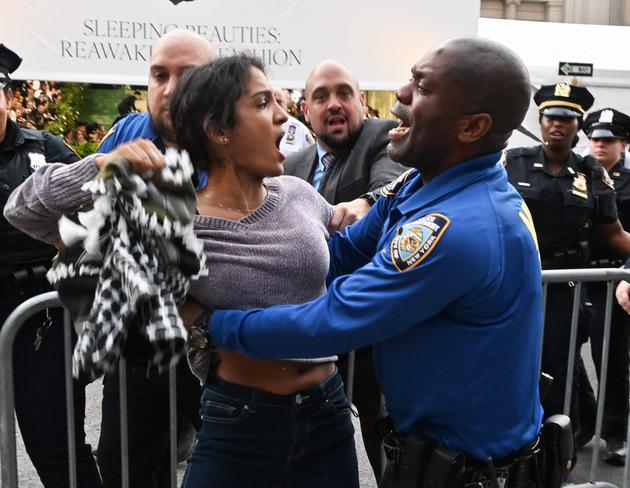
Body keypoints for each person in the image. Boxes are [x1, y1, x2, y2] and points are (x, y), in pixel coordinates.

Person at [201, 38, 545, 487]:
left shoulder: (461, 227)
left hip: (469, 472)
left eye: (421, 88)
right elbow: (339, 256)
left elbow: (335, 318)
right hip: (432, 457)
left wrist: (214, 325)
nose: (400, 94)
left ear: (472, 127)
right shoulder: (422, 187)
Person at [7, 54, 361, 488]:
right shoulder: (171, 222)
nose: (284, 116)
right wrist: (100, 164)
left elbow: (345, 228)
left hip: (328, 412)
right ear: (219, 131)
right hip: (240, 421)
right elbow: (24, 210)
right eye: (264, 103)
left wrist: (371, 205)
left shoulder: (297, 192)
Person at [6, 29, 213, 488]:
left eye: (188, 75)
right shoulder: (129, 132)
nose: (171, 89)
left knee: (227, 466)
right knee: (125, 468)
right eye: (159, 75)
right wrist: (81, 239)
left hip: (216, 346)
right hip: (138, 348)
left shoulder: (238, 138)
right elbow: (28, 210)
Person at [282, 59, 407, 479]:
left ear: (362, 102)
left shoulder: (380, 136)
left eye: (344, 93)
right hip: (309, 334)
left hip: (369, 334)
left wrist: (366, 204)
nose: (334, 104)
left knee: (385, 442)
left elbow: (388, 182)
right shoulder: (292, 165)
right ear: (305, 109)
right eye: (321, 96)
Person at [504, 84, 630, 442]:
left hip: (565, 290)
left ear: (578, 126)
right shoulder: (512, 161)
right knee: (509, 364)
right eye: (551, 118)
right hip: (513, 283)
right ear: (541, 122)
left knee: (558, 371)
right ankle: (509, 446)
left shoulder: (592, 173)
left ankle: (554, 454)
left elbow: (612, 232)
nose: (557, 125)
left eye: (567, 119)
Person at [0, 44, 102, 487]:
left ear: (8, 97)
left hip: (40, 319)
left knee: (59, 450)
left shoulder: (46, 150)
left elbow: (95, 222)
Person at [580, 108, 630, 465]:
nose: (599, 145)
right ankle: (579, 419)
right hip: (574, 278)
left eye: (607, 140)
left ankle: (615, 434)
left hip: (616, 282)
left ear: (623, 144)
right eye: (594, 138)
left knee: (610, 361)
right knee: (559, 353)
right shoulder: (577, 175)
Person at [272, 86, 315, 156]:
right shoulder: (256, 126)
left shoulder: (300, 129)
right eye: (271, 102)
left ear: (286, 105)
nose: (275, 106)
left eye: (279, 102)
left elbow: (312, 157)